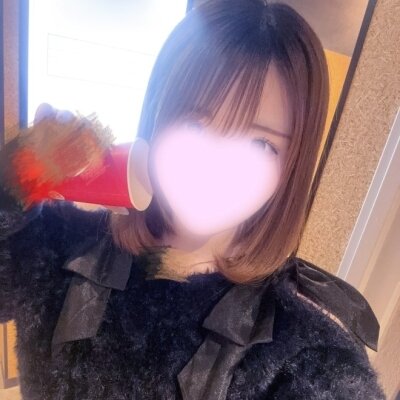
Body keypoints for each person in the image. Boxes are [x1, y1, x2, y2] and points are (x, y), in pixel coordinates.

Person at [0, 0, 386, 399]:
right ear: (157, 115)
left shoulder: (303, 354)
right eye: (196, 124)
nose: (216, 166)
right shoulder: (59, 244)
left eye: (261, 144)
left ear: (292, 165)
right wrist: (14, 179)